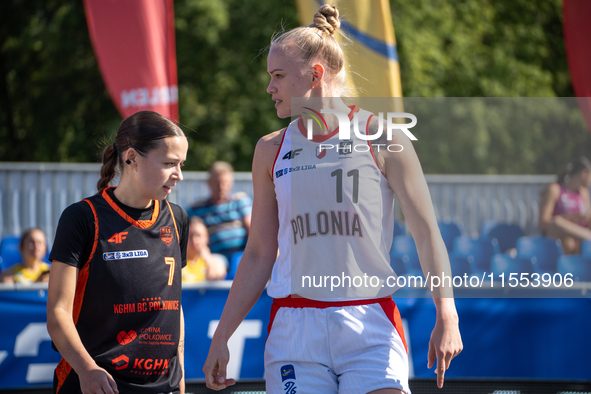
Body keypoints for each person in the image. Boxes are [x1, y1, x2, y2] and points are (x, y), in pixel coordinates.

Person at [203, 5, 462, 394]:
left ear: (315, 74)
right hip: (294, 327)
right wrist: (222, 334)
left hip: (369, 321)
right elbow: (258, 252)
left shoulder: (384, 137)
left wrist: (448, 313)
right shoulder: (270, 149)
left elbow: (426, 234)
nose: (269, 88)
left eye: (277, 76)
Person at [46, 110, 189, 394]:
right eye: (169, 163)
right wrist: (87, 369)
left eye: (182, 164)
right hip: (98, 384)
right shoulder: (82, 218)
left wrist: (180, 377)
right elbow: (58, 312)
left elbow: (174, 306)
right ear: (132, 157)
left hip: (164, 386)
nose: (179, 175)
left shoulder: (177, 218)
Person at [186, 161, 252, 263]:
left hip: (242, 253)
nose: (221, 187)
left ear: (231, 182)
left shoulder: (240, 201)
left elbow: (252, 229)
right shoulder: (196, 209)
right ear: (209, 183)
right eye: (217, 183)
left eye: (225, 183)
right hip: (214, 257)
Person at [539, 156, 591, 254]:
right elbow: (542, 223)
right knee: (557, 223)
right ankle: (588, 237)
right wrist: (572, 218)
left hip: (580, 244)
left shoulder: (584, 193)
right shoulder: (555, 189)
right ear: (584, 174)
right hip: (558, 241)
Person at [182, 217, 227, 282]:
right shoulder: (176, 262)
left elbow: (216, 277)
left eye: (199, 236)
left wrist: (207, 258)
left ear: (207, 237)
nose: (195, 241)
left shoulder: (216, 261)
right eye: (190, 236)